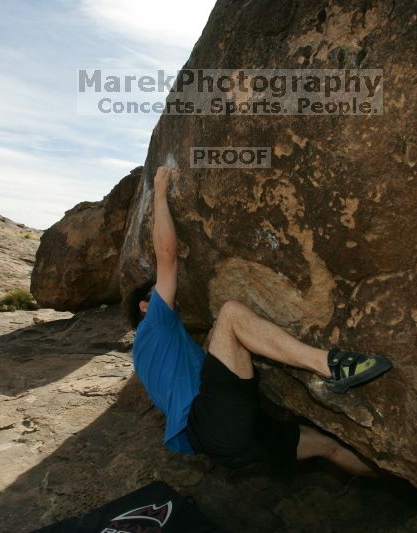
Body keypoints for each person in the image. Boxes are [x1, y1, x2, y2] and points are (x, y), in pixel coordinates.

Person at [126, 165, 393, 479]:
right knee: (231, 315)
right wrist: (159, 193)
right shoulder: (155, 323)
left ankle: (388, 481)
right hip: (214, 422)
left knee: (325, 445)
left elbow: (212, 368)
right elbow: (167, 254)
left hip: (229, 440)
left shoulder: (152, 352)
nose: (171, 296)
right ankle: (331, 366)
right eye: (157, 292)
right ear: (146, 305)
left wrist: (214, 339)